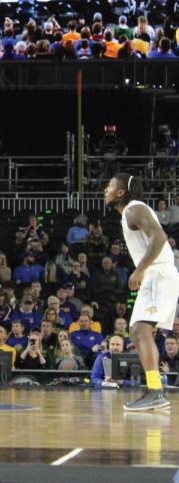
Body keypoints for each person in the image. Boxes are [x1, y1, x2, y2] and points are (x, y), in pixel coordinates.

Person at [105, 173, 179, 411]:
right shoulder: (129, 214)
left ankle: (156, 392)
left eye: (110, 186)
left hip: (157, 273)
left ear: (121, 192)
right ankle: (155, 390)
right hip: (155, 275)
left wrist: (140, 269)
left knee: (139, 330)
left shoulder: (133, 209)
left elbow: (159, 236)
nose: (105, 190)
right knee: (137, 331)